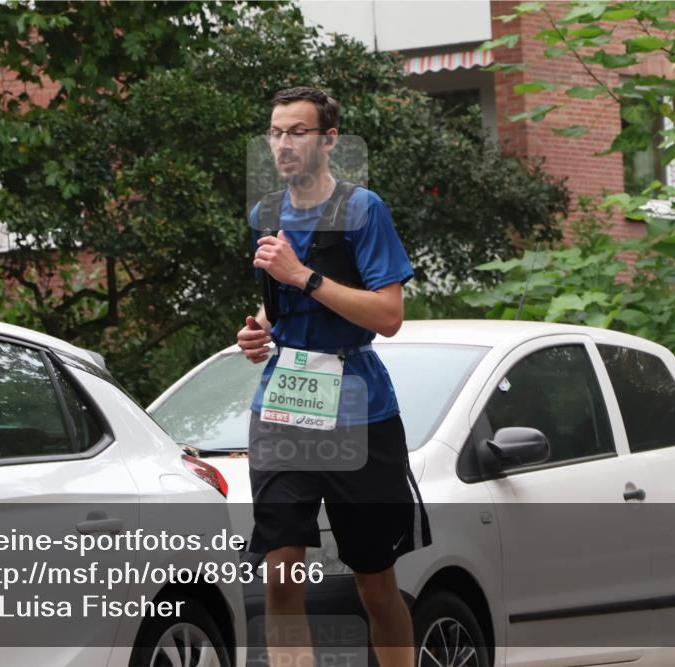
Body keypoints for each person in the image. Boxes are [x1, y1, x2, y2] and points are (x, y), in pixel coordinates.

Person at [237, 86, 431, 667]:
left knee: (374, 581)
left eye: (298, 132)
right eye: (276, 132)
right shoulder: (265, 214)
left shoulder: (363, 209)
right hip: (284, 405)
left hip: (359, 414)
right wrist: (258, 330)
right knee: (281, 573)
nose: (283, 143)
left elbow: (388, 316)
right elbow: (278, 304)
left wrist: (303, 276)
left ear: (329, 140)